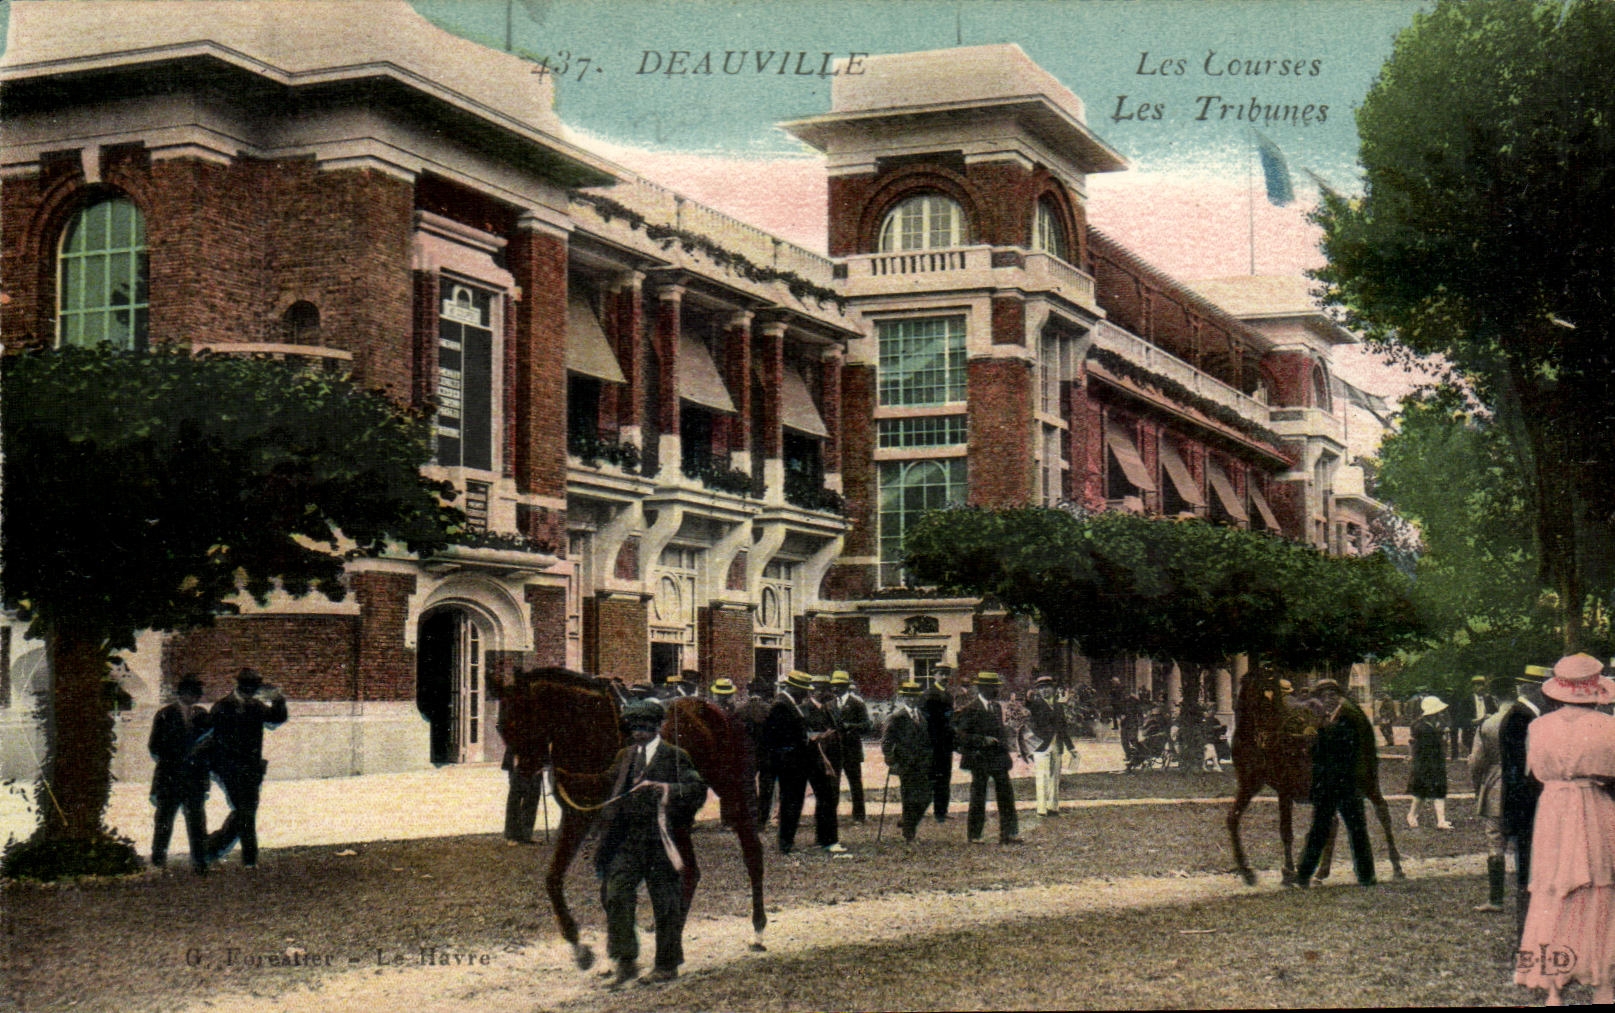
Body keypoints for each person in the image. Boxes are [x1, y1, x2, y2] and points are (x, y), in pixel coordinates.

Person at [1513, 653, 1615, 1005]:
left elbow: (1533, 773)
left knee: (1553, 887)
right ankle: (1602, 982)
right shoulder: (1609, 727)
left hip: (1554, 808)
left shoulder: (1539, 727)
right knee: (1598, 886)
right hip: (1594, 805)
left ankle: (1554, 988)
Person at [595, 699, 708, 989]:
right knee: (616, 893)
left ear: (658, 727)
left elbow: (697, 790)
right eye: (634, 729)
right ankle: (625, 961)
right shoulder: (625, 756)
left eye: (645, 728)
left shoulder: (675, 756)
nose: (639, 734)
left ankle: (667, 965)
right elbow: (607, 788)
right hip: (628, 842)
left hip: (661, 841)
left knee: (666, 903)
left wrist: (664, 789)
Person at [1294, 679, 1376, 887]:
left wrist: (1321, 735)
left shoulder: (1348, 717)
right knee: (1319, 830)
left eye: (1332, 695)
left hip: (1347, 783)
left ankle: (1366, 876)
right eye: (1323, 696)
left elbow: (1349, 749)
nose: (1328, 699)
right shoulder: (1325, 719)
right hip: (1327, 784)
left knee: (1356, 829)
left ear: (1339, 696)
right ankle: (1304, 875)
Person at [204, 667, 288, 868]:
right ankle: (249, 860)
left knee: (245, 812)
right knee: (245, 812)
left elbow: (276, 718)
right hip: (228, 770)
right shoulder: (221, 707)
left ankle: (210, 848)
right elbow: (210, 739)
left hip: (251, 770)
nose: (250, 691)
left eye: (254, 688)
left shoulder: (257, 707)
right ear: (238, 686)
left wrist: (278, 699)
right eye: (247, 687)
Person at [764, 670, 844, 854]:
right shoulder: (781, 705)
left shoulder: (791, 703)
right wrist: (809, 739)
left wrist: (808, 739)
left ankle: (827, 840)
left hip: (805, 759)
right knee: (792, 802)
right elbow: (777, 738)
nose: (806, 694)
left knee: (825, 796)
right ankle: (786, 844)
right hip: (792, 763)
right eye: (802, 690)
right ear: (792, 688)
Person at [1503, 665, 1551, 942]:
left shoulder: (1525, 715)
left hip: (1524, 800)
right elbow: (1518, 769)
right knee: (1526, 864)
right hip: (1525, 801)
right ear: (1533, 688)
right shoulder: (1521, 718)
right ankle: (1527, 929)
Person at [148, 673, 213, 874]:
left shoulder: (203, 715)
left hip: (195, 778)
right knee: (164, 821)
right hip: (170, 777)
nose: (194, 697)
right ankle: (158, 860)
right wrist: (176, 755)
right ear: (181, 693)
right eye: (190, 693)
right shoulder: (165, 714)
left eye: (197, 693)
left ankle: (200, 862)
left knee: (197, 823)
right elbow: (155, 746)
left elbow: (210, 745)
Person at [951, 671, 1022, 845]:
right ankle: (975, 835)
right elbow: (960, 736)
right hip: (979, 758)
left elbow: (1001, 732)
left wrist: (1006, 748)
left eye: (996, 687)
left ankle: (1009, 833)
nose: (996, 691)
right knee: (978, 796)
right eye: (992, 687)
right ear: (982, 688)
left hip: (998, 758)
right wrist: (982, 740)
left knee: (1006, 795)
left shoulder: (997, 708)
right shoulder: (970, 709)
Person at [1469, 674, 1519, 912]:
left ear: (1494, 697)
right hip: (1524, 786)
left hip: (1497, 784)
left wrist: (1477, 785)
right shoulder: (1531, 720)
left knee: (1495, 840)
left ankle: (1496, 899)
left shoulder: (1488, 725)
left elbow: (1476, 762)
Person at [498, 672, 546, 846]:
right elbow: (503, 727)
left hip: (536, 756)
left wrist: (544, 759)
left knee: (533, 794)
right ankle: (512, 834)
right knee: (516, 795)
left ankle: (526, 833)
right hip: (518, 755)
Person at [881, 680, 931, 844]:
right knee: (909, 798)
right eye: (908, 696)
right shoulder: (897, 717)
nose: (912, 699)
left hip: (922, 764)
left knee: (927, 796)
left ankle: (908, 821)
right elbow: (886, 742)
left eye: (914, 696)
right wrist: (892, 762)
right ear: (903, 698)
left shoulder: (921, 717)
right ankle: (909, 834)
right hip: (906, 764)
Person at [1024, 675, 1074, 816]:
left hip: (1057, 745)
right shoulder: (1037, 705)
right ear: (1038, 691)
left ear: (1054, 689)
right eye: (1041, 688)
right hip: (1041, 746)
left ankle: (1053, 807)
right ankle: (1041, 808)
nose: (1045, 690)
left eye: (1047, 687)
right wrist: (1027, 699)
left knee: (1055, 777)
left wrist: (1071, 747)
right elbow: (1028, 706)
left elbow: (1063, 728)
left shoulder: (1059, 706)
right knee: (1042, 776)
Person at [830, 670, 871, 824]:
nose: (836, 689)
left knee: (855, 783)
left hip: (852, 750)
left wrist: (850, 726)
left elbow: (867, 726)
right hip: (834, 751)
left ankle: (859, 816)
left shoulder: (857, 704)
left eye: (839, 686)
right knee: (833, 784)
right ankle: (831, 816)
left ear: (846, 686)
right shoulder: (830, 705)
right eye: (834, 686)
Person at [1407, 695, 1452, 829]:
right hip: (1427, 763)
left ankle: (1439, 820)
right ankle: (1414, 815)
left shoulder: (1430, 726)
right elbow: (1425, 747)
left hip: (1432, 762)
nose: (1440, 714)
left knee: (1432, 790)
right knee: (1425, 790)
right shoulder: (1423, 728)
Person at [921, 668, 956, 823]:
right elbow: (925, 718)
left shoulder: (948, 695)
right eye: (941, 674)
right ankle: (923, 810)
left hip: (945, 743)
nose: (944, 677)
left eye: (946, 674)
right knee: (932, 777)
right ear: (934, 675)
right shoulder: (929, 694)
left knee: (945, 776)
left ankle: (941, 810)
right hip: (933, 742)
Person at [740, 679, 776, 825]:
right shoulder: (770, 709)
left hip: (748, 753)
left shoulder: (740, 709)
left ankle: (751, 815)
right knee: (767, 786)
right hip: (767, 753)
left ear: (749, 692)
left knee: (748, 785)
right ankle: (763, 818)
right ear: (763, 693)